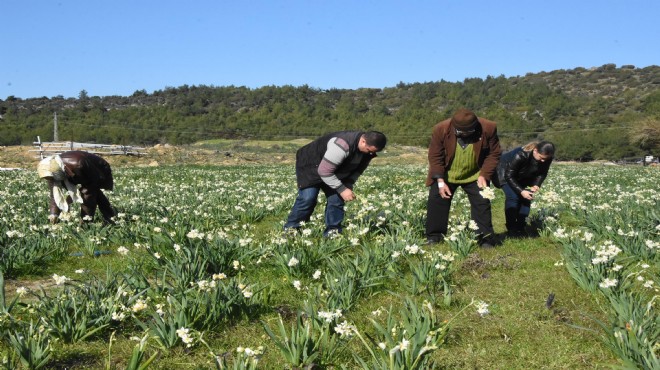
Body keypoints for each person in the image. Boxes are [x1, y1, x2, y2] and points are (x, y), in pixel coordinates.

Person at [284, 131, 387, 236]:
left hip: (335, 167)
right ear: (363, 141)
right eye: (369, 150)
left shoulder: (368, 151)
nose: (369, 154)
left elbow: (358, 169)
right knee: (308, 198)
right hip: (310, 165)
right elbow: (324, 171)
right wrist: (342, 189)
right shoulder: (341, 145)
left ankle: (332, 233)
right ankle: (291, 230)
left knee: (336, 200)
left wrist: (348, 183)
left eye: (372, 152)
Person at [426, 108, 501, 248]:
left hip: (475, 174)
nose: (464, 134)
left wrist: (484, 174)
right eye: (460, 132)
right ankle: (434, 237)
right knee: (437, 202)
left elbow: (494, 154)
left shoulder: (488, 128)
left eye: (468, 132)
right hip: (447, 174)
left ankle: (484, 238)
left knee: (482, 204)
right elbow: (435, 156)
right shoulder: (441, 129)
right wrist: (440, 181)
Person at [493, 141, 555, 238]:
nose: (543, 161)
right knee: (513, 198)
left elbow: (542, 173)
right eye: (541, 158)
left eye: (546, 159)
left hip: (523, 175)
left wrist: (536, 184)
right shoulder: (521, 155)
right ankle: (512, 229)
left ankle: (521, 228)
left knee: (527, 199)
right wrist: (521, 191)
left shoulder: (547, 158)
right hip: (504, 173)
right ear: (535, 151)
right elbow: (509, 175)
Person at [37, 151, 116, 224]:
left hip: (99, 169)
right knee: (95, 194)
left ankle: (86, 222)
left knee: (88, 194)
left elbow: (94, 182)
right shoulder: (50, 172)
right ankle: (111, 217)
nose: (50, 180)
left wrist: (72, 197)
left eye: (51, 178)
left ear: (58, 173)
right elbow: (54, 195)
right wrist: (53, 214)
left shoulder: (78, 163)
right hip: (79, 170)